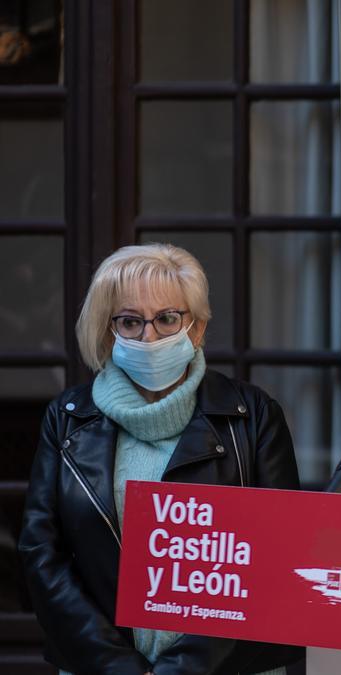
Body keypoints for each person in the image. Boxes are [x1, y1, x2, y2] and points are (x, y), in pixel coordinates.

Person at [19, 244, 303, 674]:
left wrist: (181, 668)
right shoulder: (67, 420)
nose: (149, 337)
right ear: (107, 330)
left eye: (167, 319)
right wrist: (118, 666)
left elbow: (274, 557)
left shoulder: (252, 415)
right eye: (130, 322)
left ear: (197, 328)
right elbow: (42, 553)